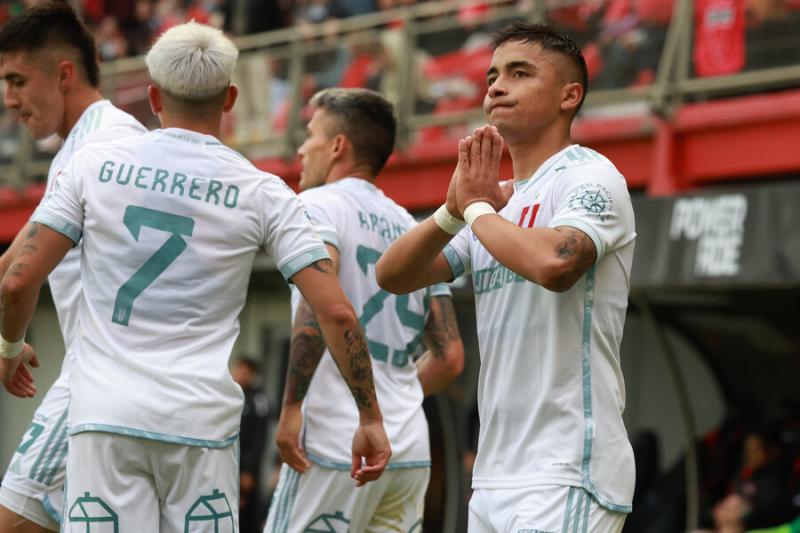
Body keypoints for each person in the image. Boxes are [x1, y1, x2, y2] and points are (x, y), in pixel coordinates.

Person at [0, 21, 391, 531]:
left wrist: (9, 349)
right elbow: (336, 311)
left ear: (153, 95)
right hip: (200, 424)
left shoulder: (93, 163)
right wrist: (370, 418)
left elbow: (17, 279)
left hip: (105, 416)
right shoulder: (263, 190)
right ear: (229, 98)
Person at [377, 21, 637, 532]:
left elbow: (556, 264)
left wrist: (475, 209)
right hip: (496, 475)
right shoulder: (495, 204)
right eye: (493, 75)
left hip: (567, 467)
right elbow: (393, 274)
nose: (496, 86)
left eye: (519, 74)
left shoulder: (591, 176)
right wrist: (453, 212)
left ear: (570, 96)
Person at [265, 87, 464, 533]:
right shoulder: (412, 226)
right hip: (408, 449)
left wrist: (293, 406)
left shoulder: (317, 204)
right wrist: (397, 397)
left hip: (337, 443)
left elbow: (322, 309)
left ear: (338, 146)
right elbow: (450, 357)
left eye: (310, 134)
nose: (301, 147)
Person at [0, 4, 147, 531]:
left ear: (63, 74)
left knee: (14, 519)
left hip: (100, 376)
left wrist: (8, 347)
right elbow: (12, 263)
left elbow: (18, 279)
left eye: (17, 80)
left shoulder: (106, 144)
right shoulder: (87, 144)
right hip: (119, 377)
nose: (8, 100)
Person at [231, 357, 271, 532]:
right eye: (238, 369)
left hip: (247, 467)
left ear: (253, 375)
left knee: (247, 511)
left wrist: (249, 470)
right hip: (229, 462)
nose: (240, 374)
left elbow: (260, 438)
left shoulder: (259, 400)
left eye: (245, 371)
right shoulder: (230, 395)